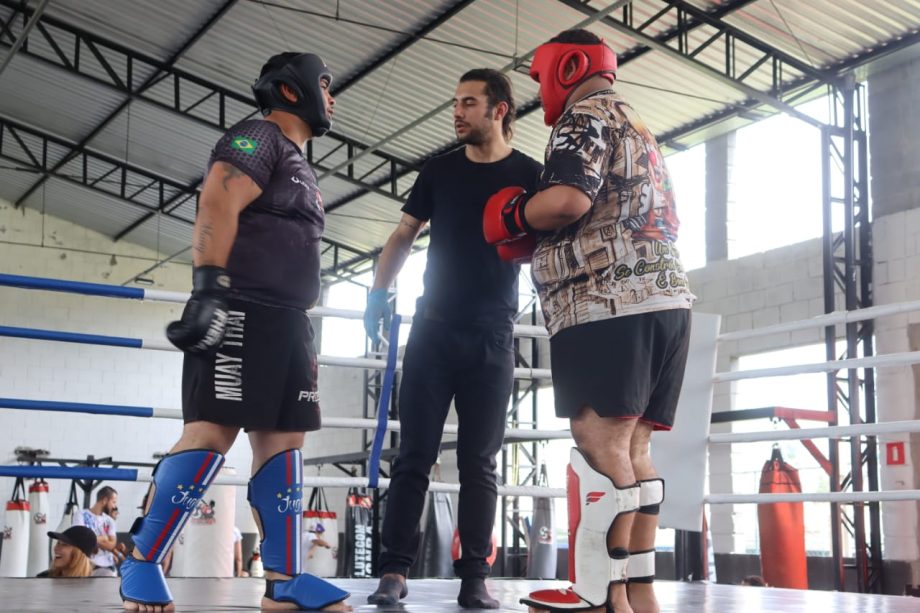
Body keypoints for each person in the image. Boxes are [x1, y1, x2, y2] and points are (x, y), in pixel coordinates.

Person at [117, 52, 350, 613]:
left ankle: (285, 581)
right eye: (324, 84)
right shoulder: (257, 136)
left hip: (288, 321)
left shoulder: (298, 160)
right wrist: (210, 288)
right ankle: (141, 560)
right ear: (292, 92)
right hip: (240, 307)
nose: (333, 97)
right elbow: (218, 197)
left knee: (285, 441)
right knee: (212, 433)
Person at [483, 29, 694, 613]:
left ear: (569, 66)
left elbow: (568, 200)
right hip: (665, 301)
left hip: (606, 302)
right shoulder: (639, 126)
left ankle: (596, 594)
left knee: (598, 441)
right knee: (636, 449)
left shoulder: (584, 116)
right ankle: (634, 595)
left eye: (543, 74)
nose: (542, 90)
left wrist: (516, 211)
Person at [363, 68, 542, 609]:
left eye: (468, 102)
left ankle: (473, 579)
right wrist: (377, 292)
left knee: (480, 462)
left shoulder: (531, 175)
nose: (457, 112)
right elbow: (403, 234)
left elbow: (553, 243)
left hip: (492, 335)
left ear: (500, 110)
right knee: (413, 454)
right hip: (433, 330)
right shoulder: (439, 171)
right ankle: (394, 571)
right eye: (455, 102)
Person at [72, 485, 119, 577]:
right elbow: (80, 539)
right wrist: (104, 538)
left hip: (105, 566)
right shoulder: (80, 514)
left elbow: (111, 545)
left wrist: (91, 539)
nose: (114, 506)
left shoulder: (110, 521)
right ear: (105, 500)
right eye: (113, 502)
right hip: (85, 564)